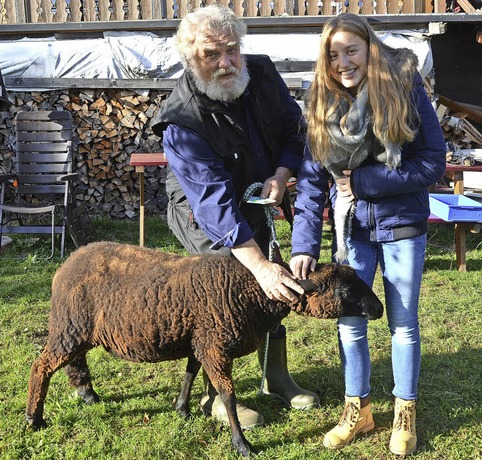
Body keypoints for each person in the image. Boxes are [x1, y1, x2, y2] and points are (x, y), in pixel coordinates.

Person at [151, 4, 319, 429]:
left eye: (232, 50)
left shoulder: (261, 74)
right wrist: (257, 265)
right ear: (192, 59)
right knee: (223, 292)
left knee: (275, 278)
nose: (226, 63)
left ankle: (275, 377)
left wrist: (281, 173)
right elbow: (214, 204)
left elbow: (293, 129)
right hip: (202, 212)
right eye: (212, 54)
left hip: (259, 190)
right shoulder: (181, 120)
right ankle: (214, 395)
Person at [289, 14, 446, 456]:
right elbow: (311, 180)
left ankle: (404, 412)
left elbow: (432, 163)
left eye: (351, 50)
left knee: (403, 326)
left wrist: (363, 182)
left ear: (369, 48)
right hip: (350, 232)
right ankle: (357, 409)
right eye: (333, 54)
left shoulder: (404, 88)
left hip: (402, 228)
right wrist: (304, 245)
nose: (343, 62)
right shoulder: (321, 102)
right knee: (350, 324)